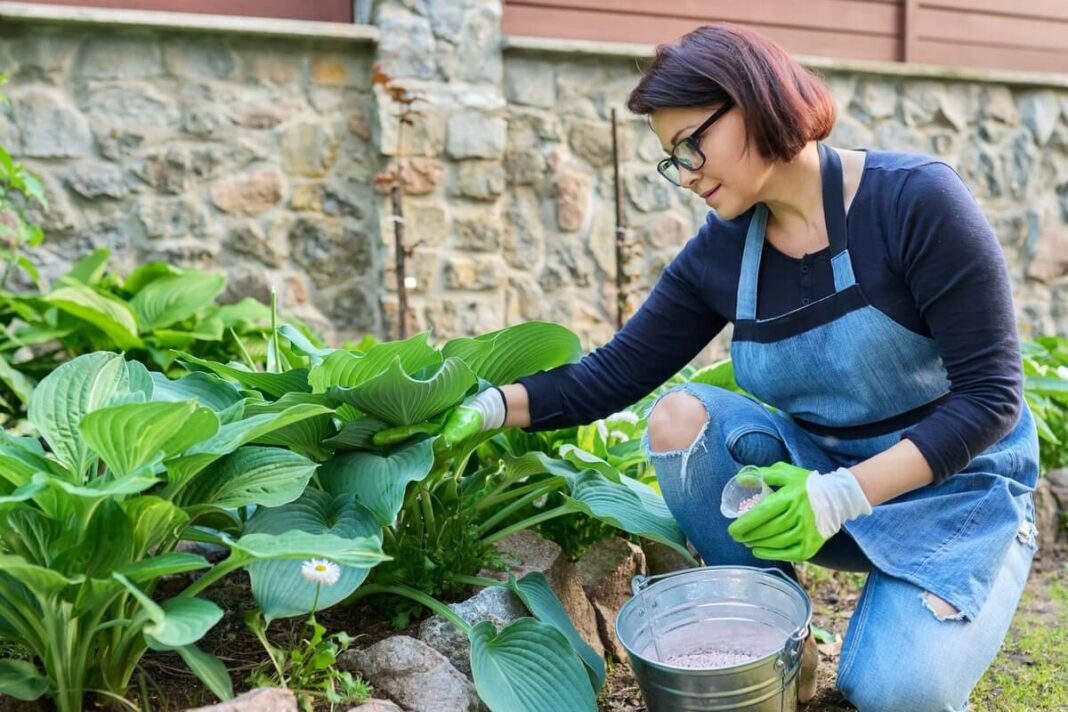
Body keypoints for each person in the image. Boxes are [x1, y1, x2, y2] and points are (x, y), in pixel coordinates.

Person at [419, 23, 1040, 711]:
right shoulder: (722, 254)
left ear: (754, 101)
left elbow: (991, 398)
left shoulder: (913, 202)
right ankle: (783, 647)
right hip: (818, 489)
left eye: (691, 146)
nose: (684, 175)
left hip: (957, 495)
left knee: (896, 692)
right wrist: (484, 405)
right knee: (683, 420)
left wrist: (836, 495)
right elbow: (608, 377)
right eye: (671, 159)